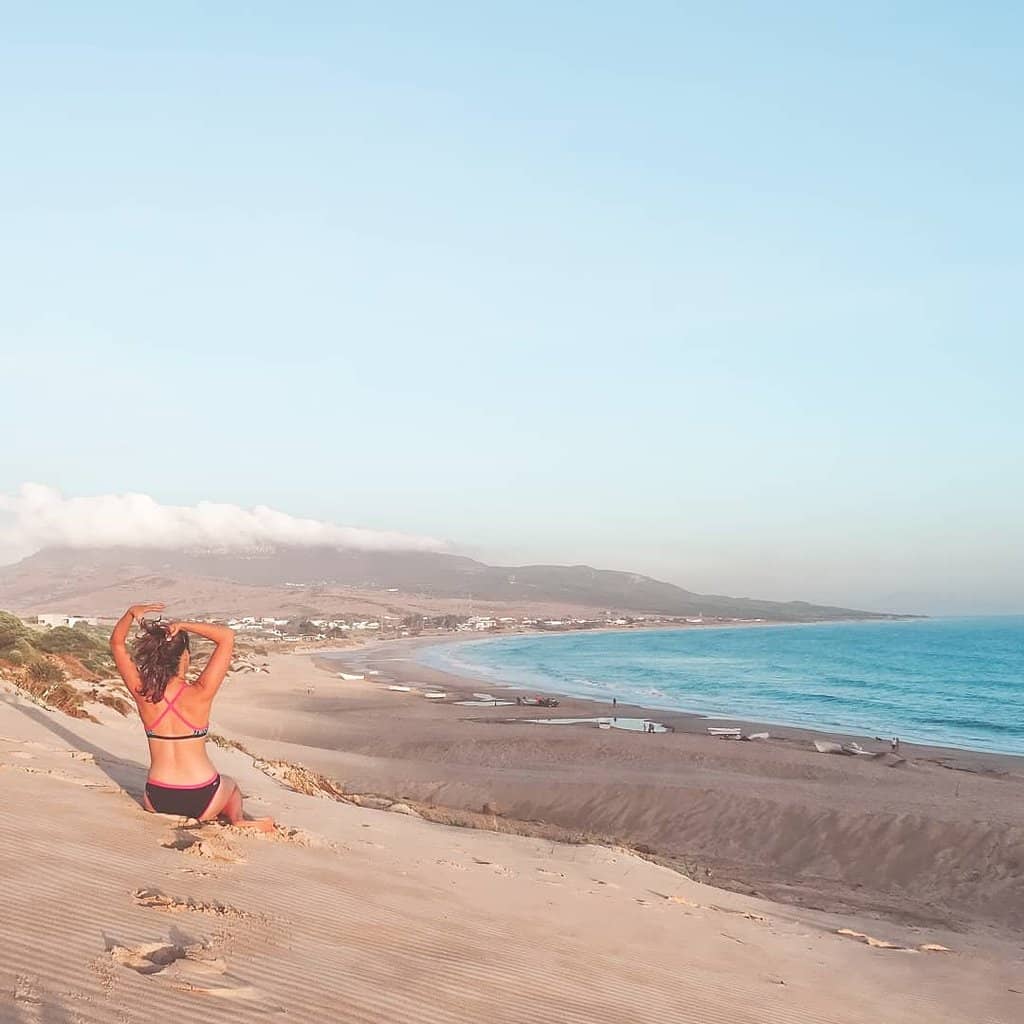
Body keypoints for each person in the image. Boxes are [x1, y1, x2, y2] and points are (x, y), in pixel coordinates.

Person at [110, 602, 273, 831]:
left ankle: (230, 816)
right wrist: (183, 625)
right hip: (202, 796)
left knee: (219, 785)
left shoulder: (142, 693)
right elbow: (226, 636)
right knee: (230, 784)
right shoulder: (200, 693)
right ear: (184, 657)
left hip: (157, 798)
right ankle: (238, 819)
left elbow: (117, 644)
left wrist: (130, 612)